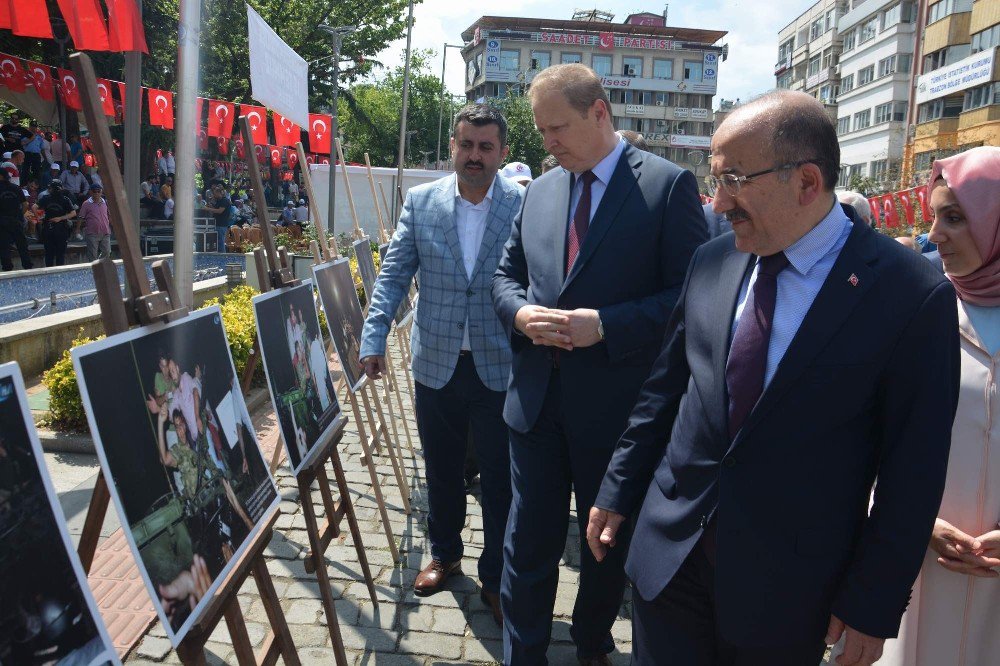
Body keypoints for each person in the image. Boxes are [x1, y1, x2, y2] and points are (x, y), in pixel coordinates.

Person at [586, 90, 960, 666]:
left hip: (788, 595)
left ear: (806, 182)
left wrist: (873, 604)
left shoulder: (910, 295)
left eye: (733, 179)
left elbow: (913, 471)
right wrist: (618, 486)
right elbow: (664, 390)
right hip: (670, 561)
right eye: (714, 179)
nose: (716, 202)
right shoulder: (713, 260)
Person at [490, 63, 707, 664]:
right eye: (541, 132)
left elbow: (690, 301)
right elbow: (505, 278)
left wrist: (606, 326)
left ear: (599, 112)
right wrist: (519, 316)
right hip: (534, 403)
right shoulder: (539, 190)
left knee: (603, 543)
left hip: (618, 409)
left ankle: (591, 643)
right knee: (524, 542)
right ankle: (523, 653)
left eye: (558, 127)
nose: (549, 142)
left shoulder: (665, 188)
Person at [361, 103, 524, 626]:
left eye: (485, 147)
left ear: (501, 152)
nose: (474, 156)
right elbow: (393, 275)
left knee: (501, 478)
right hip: (437, 364)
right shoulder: (422, 201)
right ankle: (445, 553)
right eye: (466, 145)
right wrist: (375, 334)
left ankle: (497, 576)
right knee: (442, 469)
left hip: (501, 367)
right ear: (452, 147)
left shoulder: (523, 205)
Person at [878, 146, 1000, 666]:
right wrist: (912, 519)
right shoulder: (913, 312)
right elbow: (864, 437)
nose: (933, 235)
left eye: (955, 217)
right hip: (918, 564)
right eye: (933, 216)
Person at [36, 181, 77, 267]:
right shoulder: (65, 199)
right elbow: (73, 213)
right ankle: (59, 276)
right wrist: (60, 218)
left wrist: (40, 217)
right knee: (60, 255)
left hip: (48, 227)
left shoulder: (46, 198)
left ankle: (49, 274)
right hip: (61, 229)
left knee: (49, 255)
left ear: (51, 189)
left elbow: (33, 207)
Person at [0, 168, 31, 271]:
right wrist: (20, 215)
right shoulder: (16, 188)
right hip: (16, 220)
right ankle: (27, 266)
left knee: (4, 245)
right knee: (22, 244)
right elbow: (25, 204)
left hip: (2, 221)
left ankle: (7, 267)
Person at [76, 183, 111, 261]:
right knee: (92, 255)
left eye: (99, 191)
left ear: (101, 192)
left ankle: (101, 268)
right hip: (92, 233)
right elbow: (81, 216)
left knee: (107, 252)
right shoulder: (86, 203)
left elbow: (109, 215)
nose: (97, 193)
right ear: (91, 192)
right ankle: (93, 271)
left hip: (105, 232)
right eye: (95, 191)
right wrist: (78, 229)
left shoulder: (105, 202)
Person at [205, 183, 234, 252]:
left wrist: (207, 209)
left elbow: (219, 211)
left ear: (219, 193)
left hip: (221, 225)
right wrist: (210, 206)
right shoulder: (219, 201)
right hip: (218, 224)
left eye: (215, 194)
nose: (214, 195)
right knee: (218, 242)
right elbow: (216, 210)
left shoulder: (224, 200)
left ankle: (223, 257)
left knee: (220, 243)